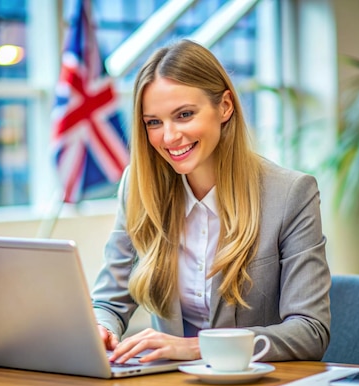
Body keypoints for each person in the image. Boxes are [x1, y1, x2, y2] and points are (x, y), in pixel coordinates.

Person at [91, 39, 331, 365]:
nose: (170, 136)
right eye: (154, 122)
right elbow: (108, 302)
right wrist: (101, 328)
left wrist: (197, 348)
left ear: (225, 107)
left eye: (185, 115)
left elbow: (310, 331)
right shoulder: (138, 186)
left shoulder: (291, 193)